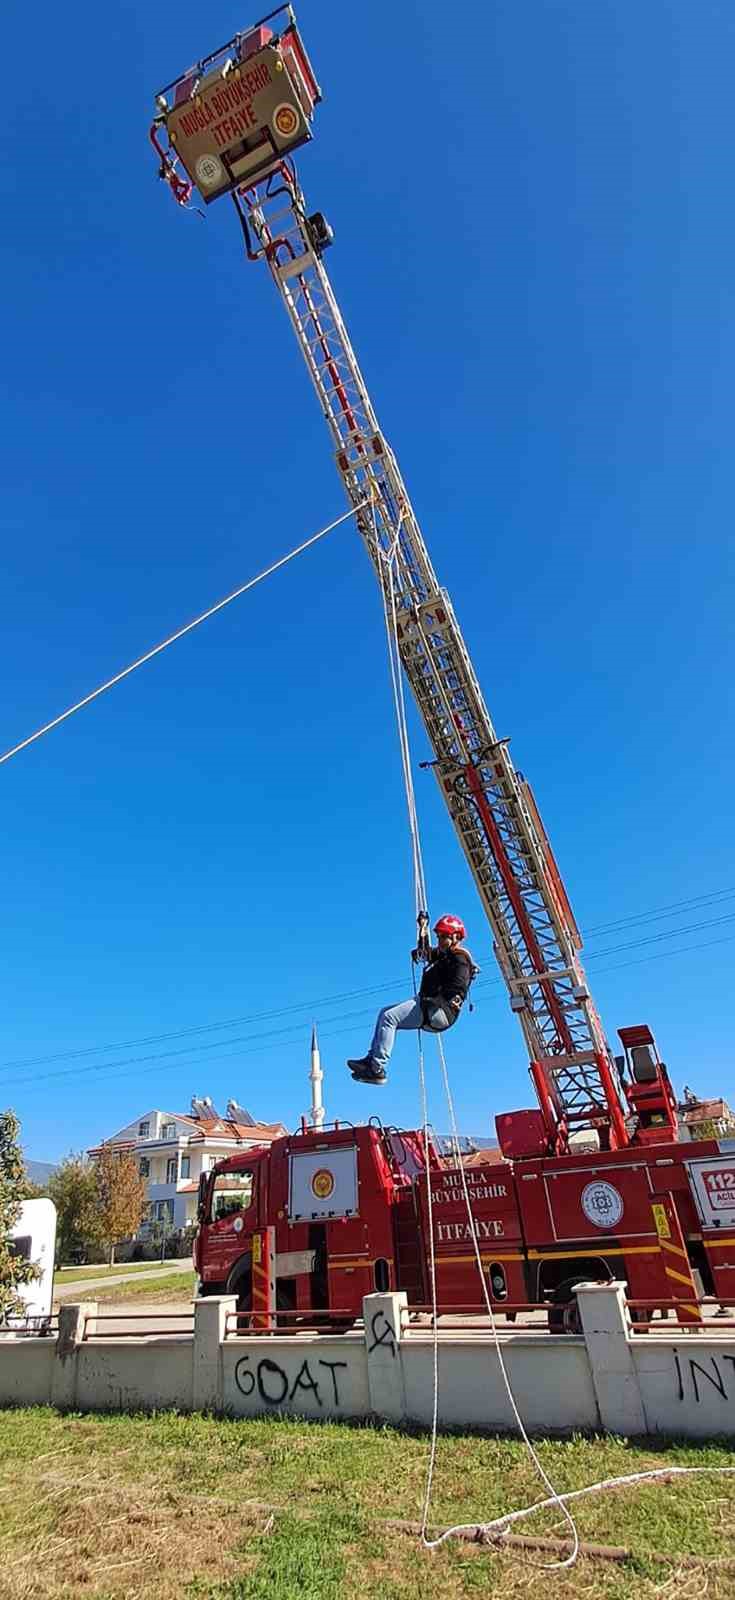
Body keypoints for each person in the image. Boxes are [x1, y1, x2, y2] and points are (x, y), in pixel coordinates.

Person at [347, 914, 477, 1085]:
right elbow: (425, 953)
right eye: (439, 937)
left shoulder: (460, 959)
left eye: (444, 937)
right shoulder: (444, 954)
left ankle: (377, 1068)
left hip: (439, 1010)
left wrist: (435, 999)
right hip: (429, 1005)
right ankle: (371, 1059)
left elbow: (458, 988)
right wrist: (423, 927)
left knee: (390, 1018)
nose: (439, 941)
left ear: (456, 937)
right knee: (384, 1013)